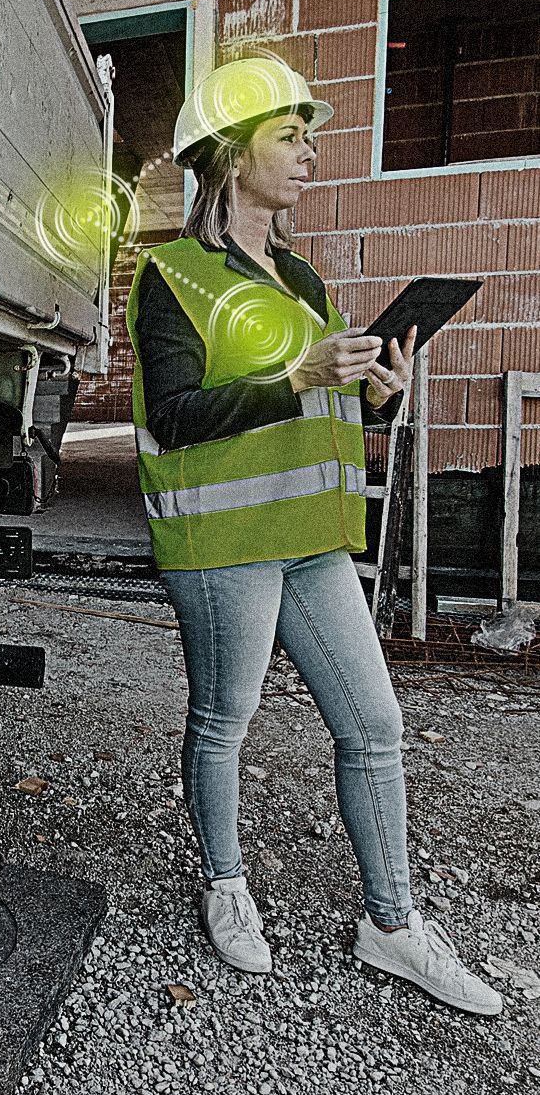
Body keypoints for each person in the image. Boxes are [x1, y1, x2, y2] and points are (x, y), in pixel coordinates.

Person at [126, 54, 500, 1016]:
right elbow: (174, 414)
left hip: (310, 539)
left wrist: (380, 392)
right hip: (226, 546)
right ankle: (224, 882)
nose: (311, 153)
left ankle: (391, 924)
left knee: (375, 726)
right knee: (225, 723)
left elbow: (329, 411)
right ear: (227, 154)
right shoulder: (171, 273)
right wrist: (298, 376)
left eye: (309, 135)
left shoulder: (299, 274)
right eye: (289, 135)